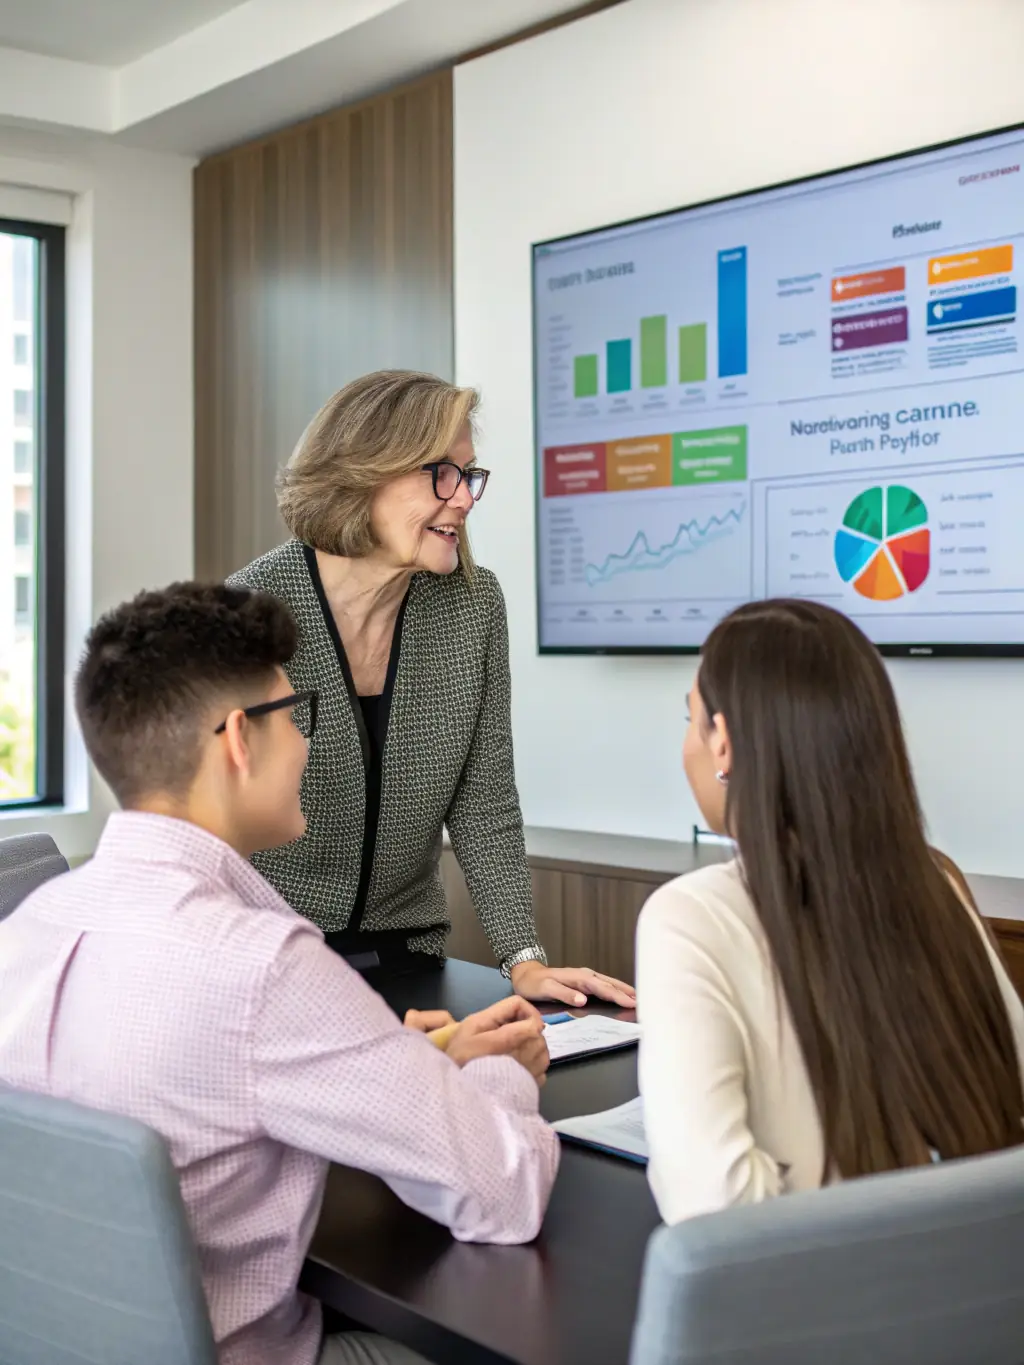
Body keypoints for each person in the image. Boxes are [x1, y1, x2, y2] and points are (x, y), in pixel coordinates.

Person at [0, 582, 560, 1365]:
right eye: (295, 714)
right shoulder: (260, 968)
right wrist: (498, 1077)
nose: (304, 741)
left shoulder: (26, 930)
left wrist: (398, 1064)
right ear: (238, 738)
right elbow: (506, 1193)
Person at [228, 369, 634, 1010]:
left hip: (406, 954)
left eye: (470, 476)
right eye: (442, 473)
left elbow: (485, 801)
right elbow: (207, 816)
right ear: (363, 472)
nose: (466, 499)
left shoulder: (474, 605)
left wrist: (524, 958)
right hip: (262, 961)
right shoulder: (248, 612)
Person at [636, 598, 1024, 1226]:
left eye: (692, 718)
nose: (688, 744)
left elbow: (714, 1215)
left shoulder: (689, 918)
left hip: (810, 1311)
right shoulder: (934, 882)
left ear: (725, 744)